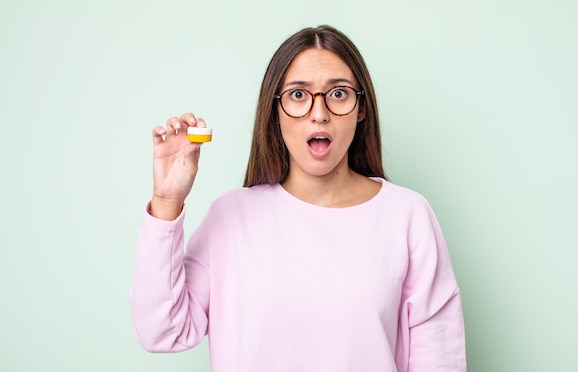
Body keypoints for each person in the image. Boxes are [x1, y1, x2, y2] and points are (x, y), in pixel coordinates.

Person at [130, 25, 466, 371]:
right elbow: (162, 331)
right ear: (275, 111)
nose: (318, 114)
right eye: (298, 95)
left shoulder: (406, 216)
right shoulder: (231, 217)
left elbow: (439, 357)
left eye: (338, 94)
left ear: (361, 109)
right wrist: (166, 200)